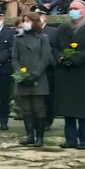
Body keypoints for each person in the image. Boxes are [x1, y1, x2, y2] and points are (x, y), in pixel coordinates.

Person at [51, 0, 85, 149]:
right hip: (66, 73)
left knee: (84, 110)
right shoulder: (63, 28)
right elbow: (54, 46)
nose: (73, 11)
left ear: (84, 10)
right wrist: (60, 57)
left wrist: (76, 59)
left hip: (84, 72)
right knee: (68, 109)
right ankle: (70, 139)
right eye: (71, 8)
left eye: (76, 8)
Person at [12, 12, 52, 147]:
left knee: (38, 108)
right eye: (24, 20)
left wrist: (35, 74)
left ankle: (40, 137)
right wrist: (20, 74)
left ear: (35, 22)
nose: (25, 23)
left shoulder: (43, 38)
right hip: (22, 78)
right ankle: (30, 135)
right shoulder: (18, 38)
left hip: (38, 78)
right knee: (26, 109)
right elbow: (14, 58)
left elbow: (45, 57)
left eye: (28, 20)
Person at [36, 8, 58, 131]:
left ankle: (47, 121)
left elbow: (55, 48)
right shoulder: (32, 31)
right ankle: (37, 121)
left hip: (49, 69)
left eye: (40, 15)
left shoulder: (53, 31)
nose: (38, 17)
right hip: (34, 68)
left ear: (46, 17)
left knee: (49, 97)